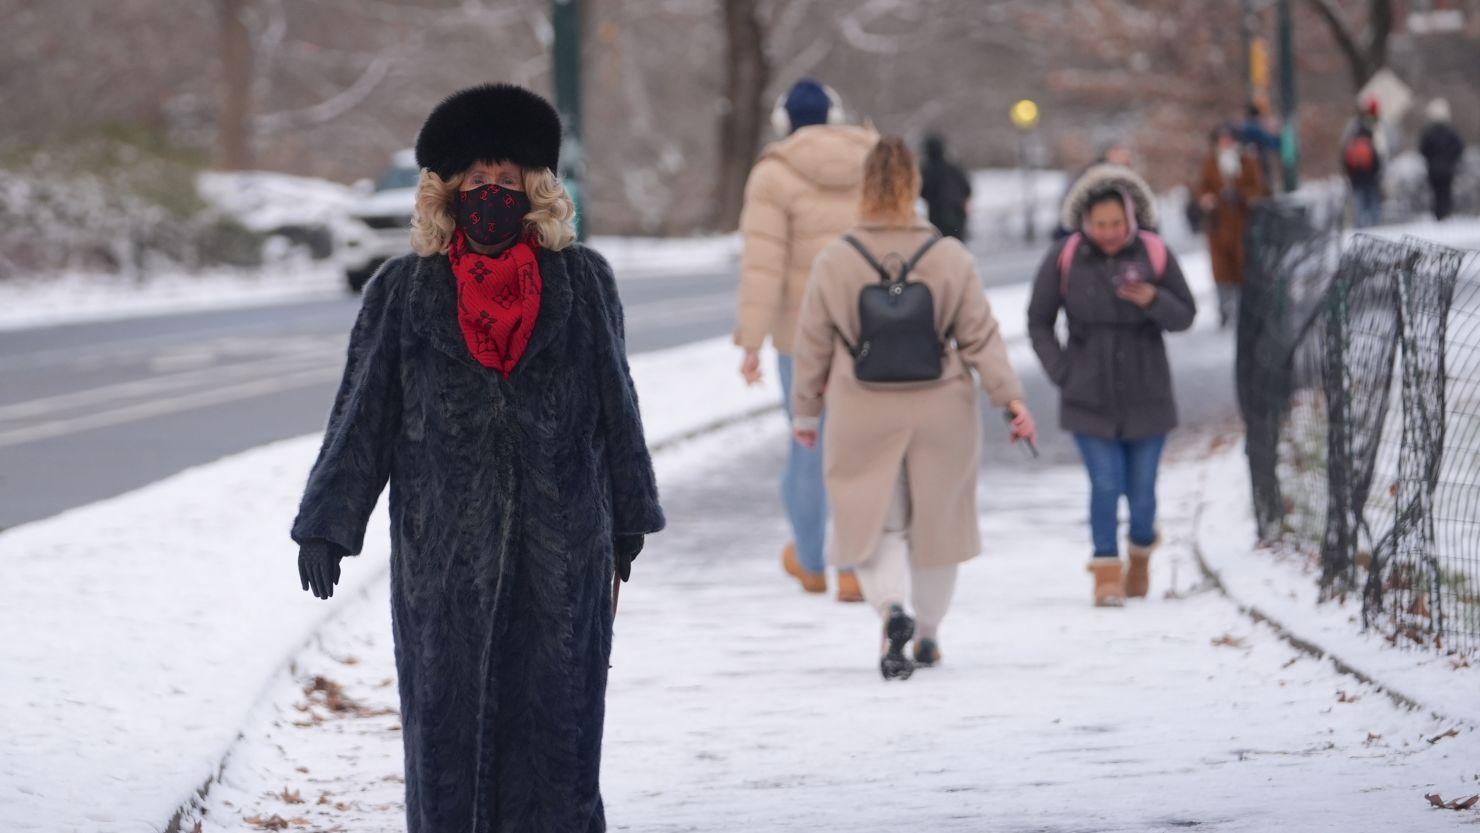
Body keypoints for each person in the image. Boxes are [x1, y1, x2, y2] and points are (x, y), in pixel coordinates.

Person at [291, 83, 664, 833]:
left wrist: (629, 516)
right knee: (446, 737)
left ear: (535, 186)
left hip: (563, 556)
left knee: (558, 742)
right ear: (447, 188)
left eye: (507, 174)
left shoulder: (584, 281)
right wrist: (327, 520)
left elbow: (617, 404)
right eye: (475, 175)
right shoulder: (400, 291)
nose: (490, 190)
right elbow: (362, 413)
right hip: (443, 561)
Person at [791, 137, 1037, 680]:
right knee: (938, 522)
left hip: (861, 405)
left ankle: (891, 610)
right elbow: (981, 337)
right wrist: (1010, 399)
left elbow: (811, 344)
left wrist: (806, 414)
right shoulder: (949, 256)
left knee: (874, 517)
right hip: (942, 406)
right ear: (916, 187)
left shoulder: (836, 259)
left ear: (864, 187)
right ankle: (927, 631)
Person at [735, 78, 879, 602]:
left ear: (784, 122)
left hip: (802, 337)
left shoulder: (774, 173)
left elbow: (763, 265)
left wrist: (752, 342)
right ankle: (858, 565)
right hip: (872, 331)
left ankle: (814, 562)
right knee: (861, 449)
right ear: (835, 115)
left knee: (807, 445)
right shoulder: (874, 161)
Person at [1027, 165, 1197, 607]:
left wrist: (1154, 300)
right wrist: (1062, 371)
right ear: (1084, 222)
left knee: (1141, 495)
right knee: (1105, 484)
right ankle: (1106, 571)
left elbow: (1186, 316)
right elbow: (1038, 320)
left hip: (1148, 392)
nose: (1107, 233)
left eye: (1116, 224)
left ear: (1131, 218)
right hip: (1088, 394)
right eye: (1099, 225)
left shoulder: (1154, 253)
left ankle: (1139, 553)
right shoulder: (1065, 257)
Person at [1197, 123, 1268, 327]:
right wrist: (1208, 198)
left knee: (1242, 267)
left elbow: (1258, 188)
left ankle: (1244, 309)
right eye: (1222, 139)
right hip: (1218, 225)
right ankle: (1224, 310)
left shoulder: (1247, 160)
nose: (1225, 143)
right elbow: (1202, 188)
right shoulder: (1210, 162)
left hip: (1242, 223)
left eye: (1228, 139)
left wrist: (1242, 196)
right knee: (1221, 270)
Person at [1342, 98, 1388, 228]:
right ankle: (1375, 225)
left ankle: (1360, 225)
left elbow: (1345, 152)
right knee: (1373, 198)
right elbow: (1380, 153)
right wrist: (1379, 171)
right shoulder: (1375, 128)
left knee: (1359, 199)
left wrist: (1348, 171)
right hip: (1371, 172)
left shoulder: (1353, 127)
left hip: (1356, 173)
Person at [1419, 98, 1465, 221]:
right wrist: (1452, 159)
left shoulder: (1429, 132)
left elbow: (1423, 149)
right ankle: (1446, 213)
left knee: (1437, 193)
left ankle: (1439, 214)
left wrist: (1430, 159)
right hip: (1447, 169)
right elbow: (1460, 147)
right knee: (1446, 192)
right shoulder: (1450, 132)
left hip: (1434, 169)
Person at [920, 133, 973, 240]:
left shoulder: (927, 169)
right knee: (958, 246)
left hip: (937, 214)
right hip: (957, 213)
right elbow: (967, 188)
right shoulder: (953, 166)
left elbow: (922, 191)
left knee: (941, 246)